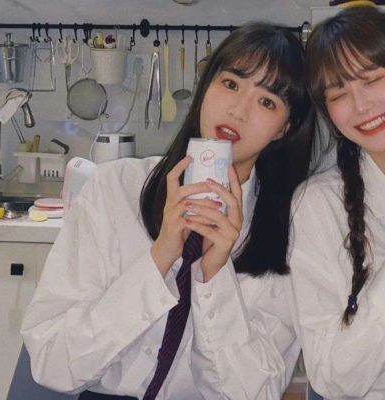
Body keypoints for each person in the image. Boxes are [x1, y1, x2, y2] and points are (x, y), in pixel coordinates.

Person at [21, 21, 317, 400]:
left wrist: (215, 275)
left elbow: (254, 394)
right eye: (231, 84)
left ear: (284, 128)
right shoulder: (115, 188)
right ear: (205, 87)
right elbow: (52, 362)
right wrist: (159, 257)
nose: (239, 110)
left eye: (267, 102)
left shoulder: (292, 228)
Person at [287, 5, 385, 400]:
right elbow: (331, 377)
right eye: (338, 94)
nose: (360, 106)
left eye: (373, 79)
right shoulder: (318, 205)